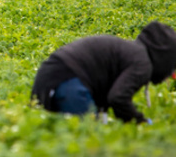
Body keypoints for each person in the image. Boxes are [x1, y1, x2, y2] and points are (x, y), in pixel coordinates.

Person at [31, 21, 176, 124]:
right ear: (165, 57)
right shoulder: (142, 62)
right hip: (68, 81)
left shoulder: (131, 52)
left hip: (50, 76)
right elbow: (118, 98)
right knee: (86, 140)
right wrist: (139, 122)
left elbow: (108, 95)